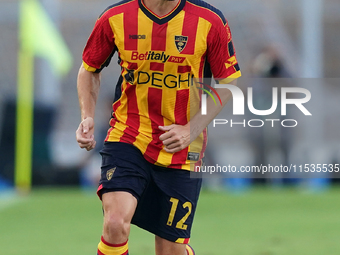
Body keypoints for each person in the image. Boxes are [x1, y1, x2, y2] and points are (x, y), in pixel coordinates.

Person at [76, 0, 241, 254]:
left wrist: (191, 129)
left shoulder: (210, 20)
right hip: (128, 135)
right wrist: (87, 116)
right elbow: (89, 69)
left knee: (170, 250)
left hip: (182, 150)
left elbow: (228, 83)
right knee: (115, 223)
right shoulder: (115, 17)